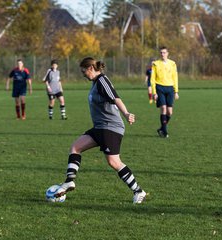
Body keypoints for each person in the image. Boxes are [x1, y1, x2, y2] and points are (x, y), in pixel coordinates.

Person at [54, 57, 146, 204]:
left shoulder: (102, 81)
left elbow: (115, 98)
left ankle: (139, 191)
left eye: (84, 71)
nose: (83, 74)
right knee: (75, 148)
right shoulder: (96, 83)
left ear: (91, 68)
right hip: (100, 127)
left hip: (111, 127)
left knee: (114, 162)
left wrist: (127, 113)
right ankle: (69, 181)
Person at [151, 46, 179, 138]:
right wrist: (154, 93)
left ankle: (161, 129)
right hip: (160, 88)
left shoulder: (173, 64)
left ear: (167, 53)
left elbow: (175, 77)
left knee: (170, 112)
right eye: (161, 53)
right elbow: (152, 79)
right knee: (163, 108)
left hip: (170, 88)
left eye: (164, 52)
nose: (162, 54)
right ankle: (165, 132)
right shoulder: (155, 64)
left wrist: (176, 91)